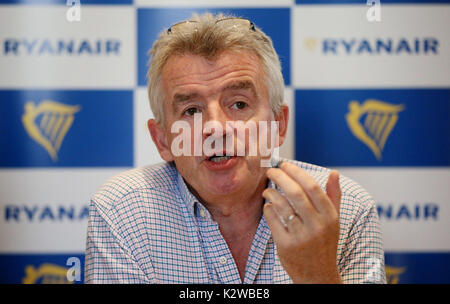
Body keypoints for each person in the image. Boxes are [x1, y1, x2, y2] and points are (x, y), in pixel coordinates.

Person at [84, 13, 386, 284]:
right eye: (191, 110)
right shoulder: (123, 212)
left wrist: (317, 277)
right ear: (163, 140)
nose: (215, 127)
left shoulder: (346, 209)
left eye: (239, 104)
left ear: (278, 124)